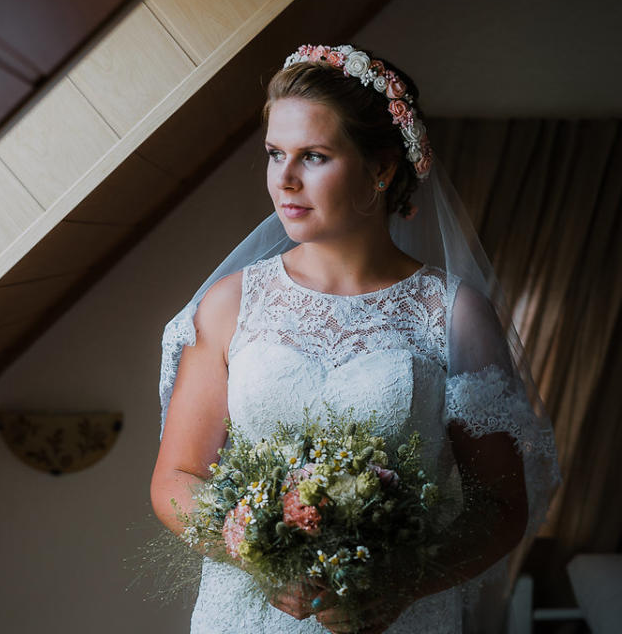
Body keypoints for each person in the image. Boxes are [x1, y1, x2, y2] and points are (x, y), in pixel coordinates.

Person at [149, 44, 561, 634]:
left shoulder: (453, 315)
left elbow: (499, 509)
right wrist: (260, 553)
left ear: (382, 168)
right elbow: (176, 479)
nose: (284, 179)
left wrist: (399, 586)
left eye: (313, 156)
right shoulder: (231, 304)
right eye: (274, 154)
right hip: (249, 616)